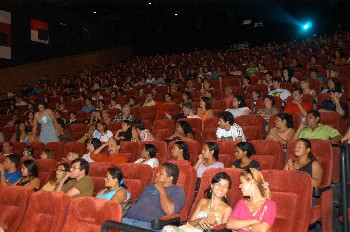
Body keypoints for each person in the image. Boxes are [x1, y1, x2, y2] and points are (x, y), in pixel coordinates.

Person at [123, 163, 186, 230]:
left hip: (147, 226)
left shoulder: (178, 191)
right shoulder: (151, 185)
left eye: (161, 173)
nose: (156, 174)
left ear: (169, 179)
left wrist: (161, 190)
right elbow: (138, 200)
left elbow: (170, 211)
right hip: (126, 220)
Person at [163, 172, 233, 231]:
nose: (221, 188)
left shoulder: (227, 209)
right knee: (167, 228)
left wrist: (215, 224)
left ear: (227, 190)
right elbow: (189, 223)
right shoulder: (203, 201)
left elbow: (224, 231)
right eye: (218, 184)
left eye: (225, 186)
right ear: (212, 185)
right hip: (192, 230)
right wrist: (198, 221)